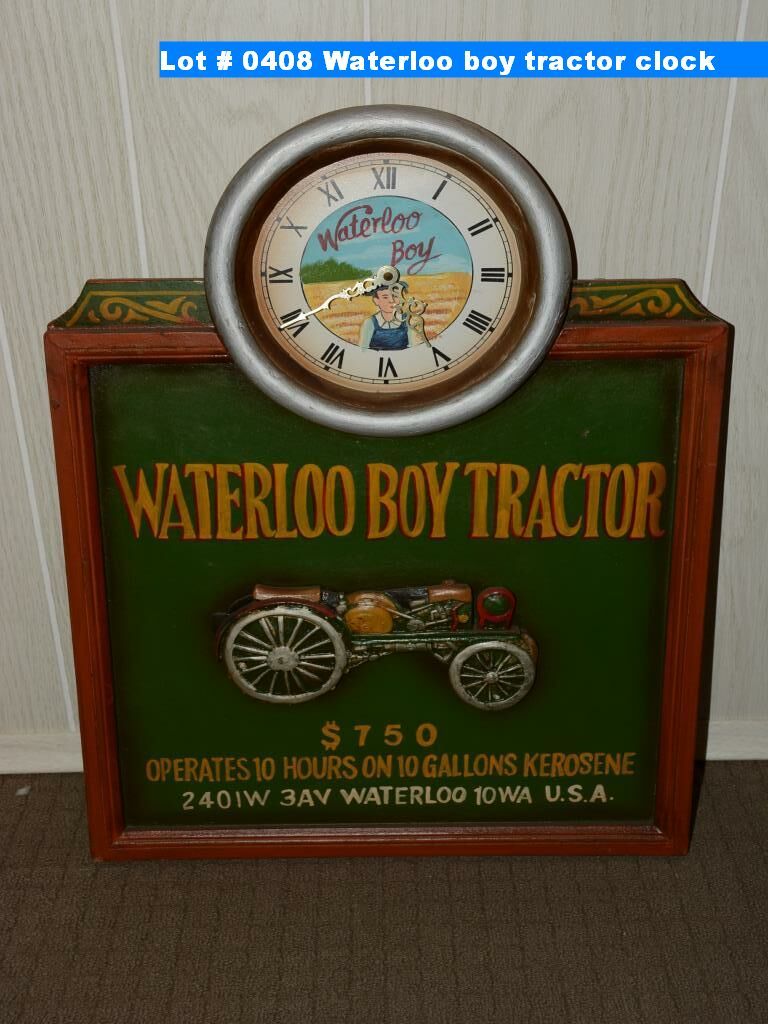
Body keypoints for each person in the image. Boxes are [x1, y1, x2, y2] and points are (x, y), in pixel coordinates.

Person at [359, 277, 426, 350]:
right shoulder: (370, 322)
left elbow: (414, 348)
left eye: (395, 296)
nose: (391, 300)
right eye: (385, 297)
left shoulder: (408, 320)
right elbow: (363, 350)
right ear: (376, 301)